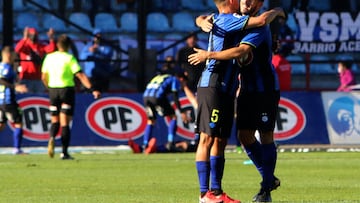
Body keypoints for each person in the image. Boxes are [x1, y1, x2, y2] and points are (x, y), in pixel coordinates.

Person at [189, 1, 285, 202]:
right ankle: (210, 193)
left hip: (264, 89)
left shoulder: (257, 26)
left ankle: (266, 187)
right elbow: (212, 16)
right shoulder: (234, 20)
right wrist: (200, 21)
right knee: (243, 136)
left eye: (252, 0)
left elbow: (242, 50)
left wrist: (276, 11)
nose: (247, 3)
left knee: (264, 134)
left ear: (259, 3)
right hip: (239, 88)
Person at [41, 34, 101, 160]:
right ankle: (64, 152)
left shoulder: (49, 57)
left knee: (54, 120)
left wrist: (48, 87)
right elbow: (80, 75)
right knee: (65, 122)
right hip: (66, 90)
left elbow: (43, 76)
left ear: (57, 45)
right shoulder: (69, 58)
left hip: (53, 90)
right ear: (68, 46)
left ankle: (51, 137)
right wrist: (92, 89)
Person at [141, 72, 189, 154]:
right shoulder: (174, 79)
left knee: (150, 121)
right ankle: (170, 143)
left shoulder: (159, 77)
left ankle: (145, 145)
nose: (182, 86)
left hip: (145, 97)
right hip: (157, 97)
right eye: (184, 83)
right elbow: (175, 96)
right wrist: (181, 111)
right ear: (181, 79)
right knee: (173, 117)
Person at [0, 46, 28, 155]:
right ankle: (17, 148)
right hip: (8, 100)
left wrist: (16, 85)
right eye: (12, 55)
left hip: (0, 100)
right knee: (18, 122)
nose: (13, 58)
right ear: (8, 55)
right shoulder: (6, 68)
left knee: (1, 124)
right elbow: (1, 80)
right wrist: (14, 87)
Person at [15, 27, 56, 93]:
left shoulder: (40, 46)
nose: (33, 36)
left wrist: (51, 38)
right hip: (26, 78)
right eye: (31, 34)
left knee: (38, 98)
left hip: (38, 78)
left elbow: (52, 49)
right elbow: (17, 49)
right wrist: (24, 38)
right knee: (26, 98)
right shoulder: (25, 46)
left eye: (35, 34)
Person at [80, 29, 114, 93]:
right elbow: (82, 57)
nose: (98, 37)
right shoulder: (88, 46)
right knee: (88, 94)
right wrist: (90, 52)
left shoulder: (107, 47)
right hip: (90, 76)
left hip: (102, 76)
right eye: (96, 35)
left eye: (100, 35)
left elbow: (108, 56)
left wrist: (97, 52)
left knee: (103, 95)